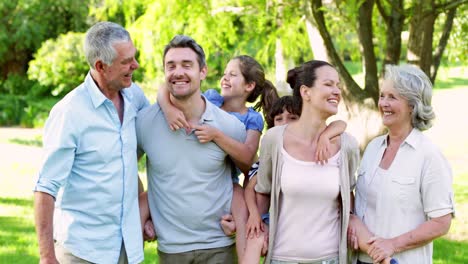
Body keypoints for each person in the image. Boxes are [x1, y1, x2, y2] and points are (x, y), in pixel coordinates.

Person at [33, 21, 149, 264]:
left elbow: (131, 154)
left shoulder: (134, 97)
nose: (135, 65)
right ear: (101, 66)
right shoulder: (70, 112)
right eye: (126, 62)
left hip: (128, 248)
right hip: (83, 251)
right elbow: (46, 187)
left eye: (134, 57)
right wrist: (46, 257)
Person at [153, 54, 278, 258]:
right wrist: (167, 109)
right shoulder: (211, 99)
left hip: (228, 182)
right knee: (146, 198)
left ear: (249, 86)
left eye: (233, 74)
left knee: (240, 208)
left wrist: (216, 135)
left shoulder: (251, 119)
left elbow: (247, 157)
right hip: (186, 174)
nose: (225, 78)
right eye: (225, 73)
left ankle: (247, 258)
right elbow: (164, 87)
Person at [136, 35, 246, 264]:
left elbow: (252, 174)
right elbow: (123, 170)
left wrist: (241, 218)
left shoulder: (229, 126)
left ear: (203, 71)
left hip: (220, 246)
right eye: (171, 66)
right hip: (172, 249)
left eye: (187, 65)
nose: (178, 72)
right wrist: (144, 212)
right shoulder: (144, 123)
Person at [254, 60, 360, 264]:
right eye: (329, 84)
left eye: (338, 85)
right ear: (306, 92)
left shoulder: (347, 145)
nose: (337, 91)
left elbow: (348, 197)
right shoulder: (274, 140)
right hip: (281, 258)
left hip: (331, 259)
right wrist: (256, 225)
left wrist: (353, 220)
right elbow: (263, 192)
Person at [350, 64, 455, 264]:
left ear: (412, 106)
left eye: (392, 97)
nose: (383, 103)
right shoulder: (373, 147)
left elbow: (442, 222)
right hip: (361, 260)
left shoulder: (428, 155)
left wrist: (392, 244)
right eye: (382, 96)